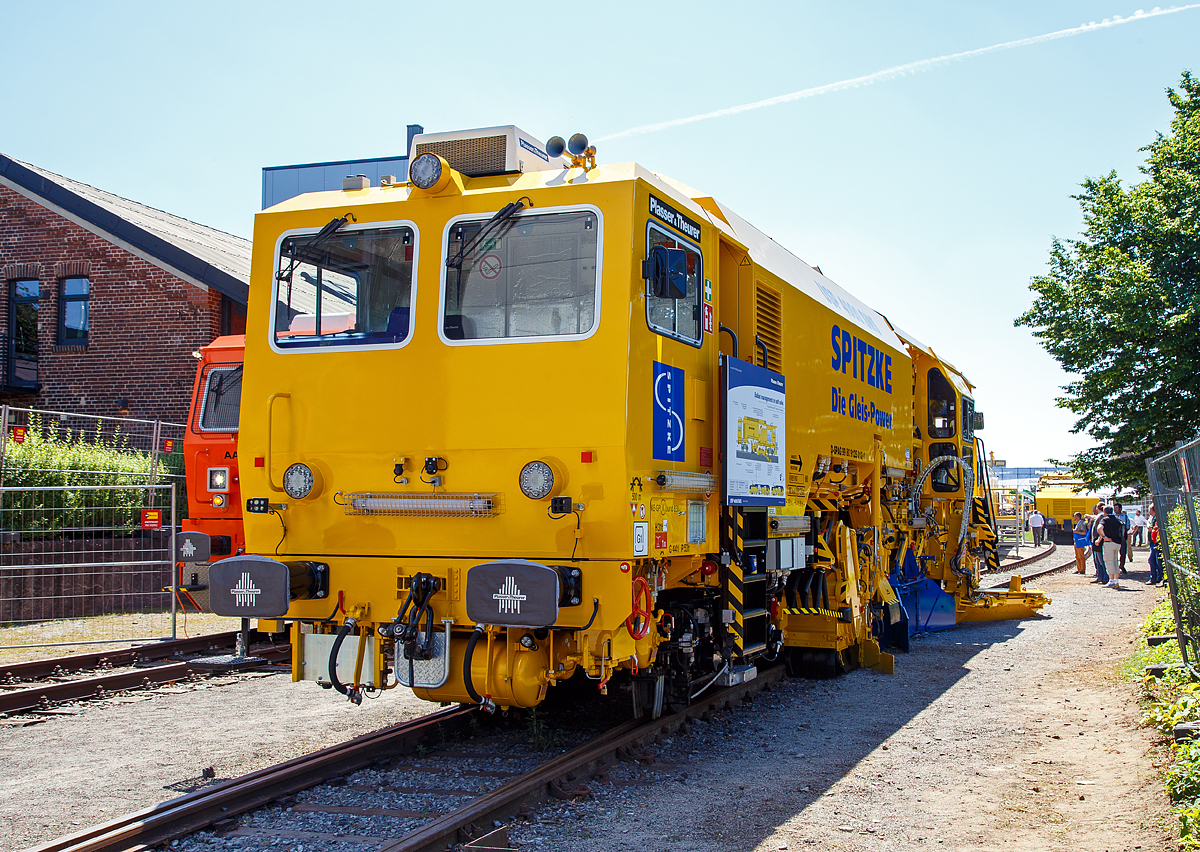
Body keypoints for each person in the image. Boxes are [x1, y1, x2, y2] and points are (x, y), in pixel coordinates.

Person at [1099, 506, 1125, 589]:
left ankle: (1111, 581)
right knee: (1115, 562)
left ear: (1104, 512)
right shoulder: (1118, 519)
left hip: (1109, 543)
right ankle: (1116, 581)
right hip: (1118, 543)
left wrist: (1104, 537)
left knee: (1109, 562)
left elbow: (1099, 528)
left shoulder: (1105, 519)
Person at [1090, 502, 1109, 584]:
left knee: (1100, 560)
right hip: (1097, 540)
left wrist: (1099, 539)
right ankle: (1100, 576)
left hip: (1098, 541)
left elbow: (1101, 529)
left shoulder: (1101, 516)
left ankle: (1104, 577)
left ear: (1098, 508)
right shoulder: (1100, 516)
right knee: (1098, 560)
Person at [1115, 502, 1131, 570]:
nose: (1115, 509)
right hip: (1114, 537)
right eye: (1114, 508)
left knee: (1123, 552)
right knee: (1114, 553)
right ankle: (1115, 567)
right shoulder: (1113, 516)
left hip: (1122, 537)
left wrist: (1123, 528)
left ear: (1120, 509)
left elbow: (1128, 526)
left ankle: (1122, 565)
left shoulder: (1125, 517)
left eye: (1116, 508)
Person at [1148, 513, 1163, 586]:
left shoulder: (1158, 517)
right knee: (1153, 560)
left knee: (1157, 561)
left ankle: (1159, 578)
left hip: (1156, 543)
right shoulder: (1152, 518)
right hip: (1153, 542)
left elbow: (1152, 528)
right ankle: (1155, 577)